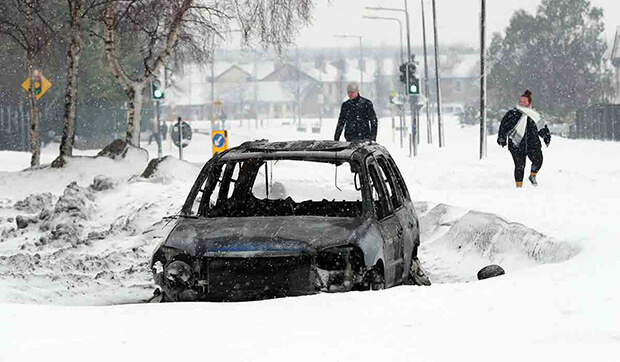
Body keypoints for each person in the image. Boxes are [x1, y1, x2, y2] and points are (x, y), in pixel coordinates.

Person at [497, 90, 551, 188]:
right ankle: (519, 187)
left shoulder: (534, 115)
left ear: (529, 103)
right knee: (519, 166)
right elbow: (503, 126)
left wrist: (546, 137)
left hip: (533, 144)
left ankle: (532, 175)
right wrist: (501, 138)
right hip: (516, 144)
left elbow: (542, 127)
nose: (522, 103)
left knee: (538, 160)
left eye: (524, 101)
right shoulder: (512, 113)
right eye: (521, 101)